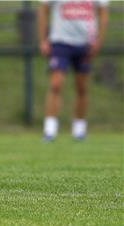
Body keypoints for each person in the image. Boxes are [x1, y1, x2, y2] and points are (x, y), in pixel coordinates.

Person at [38, 0, 109, 141]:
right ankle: (50, 130)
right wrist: (43, 39)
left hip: (85, 43)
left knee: (82, 87)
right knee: (56, 84)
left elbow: (103, 14)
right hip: (60, 42)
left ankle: (79, 130)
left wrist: (98, 41)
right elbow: (43, 10)